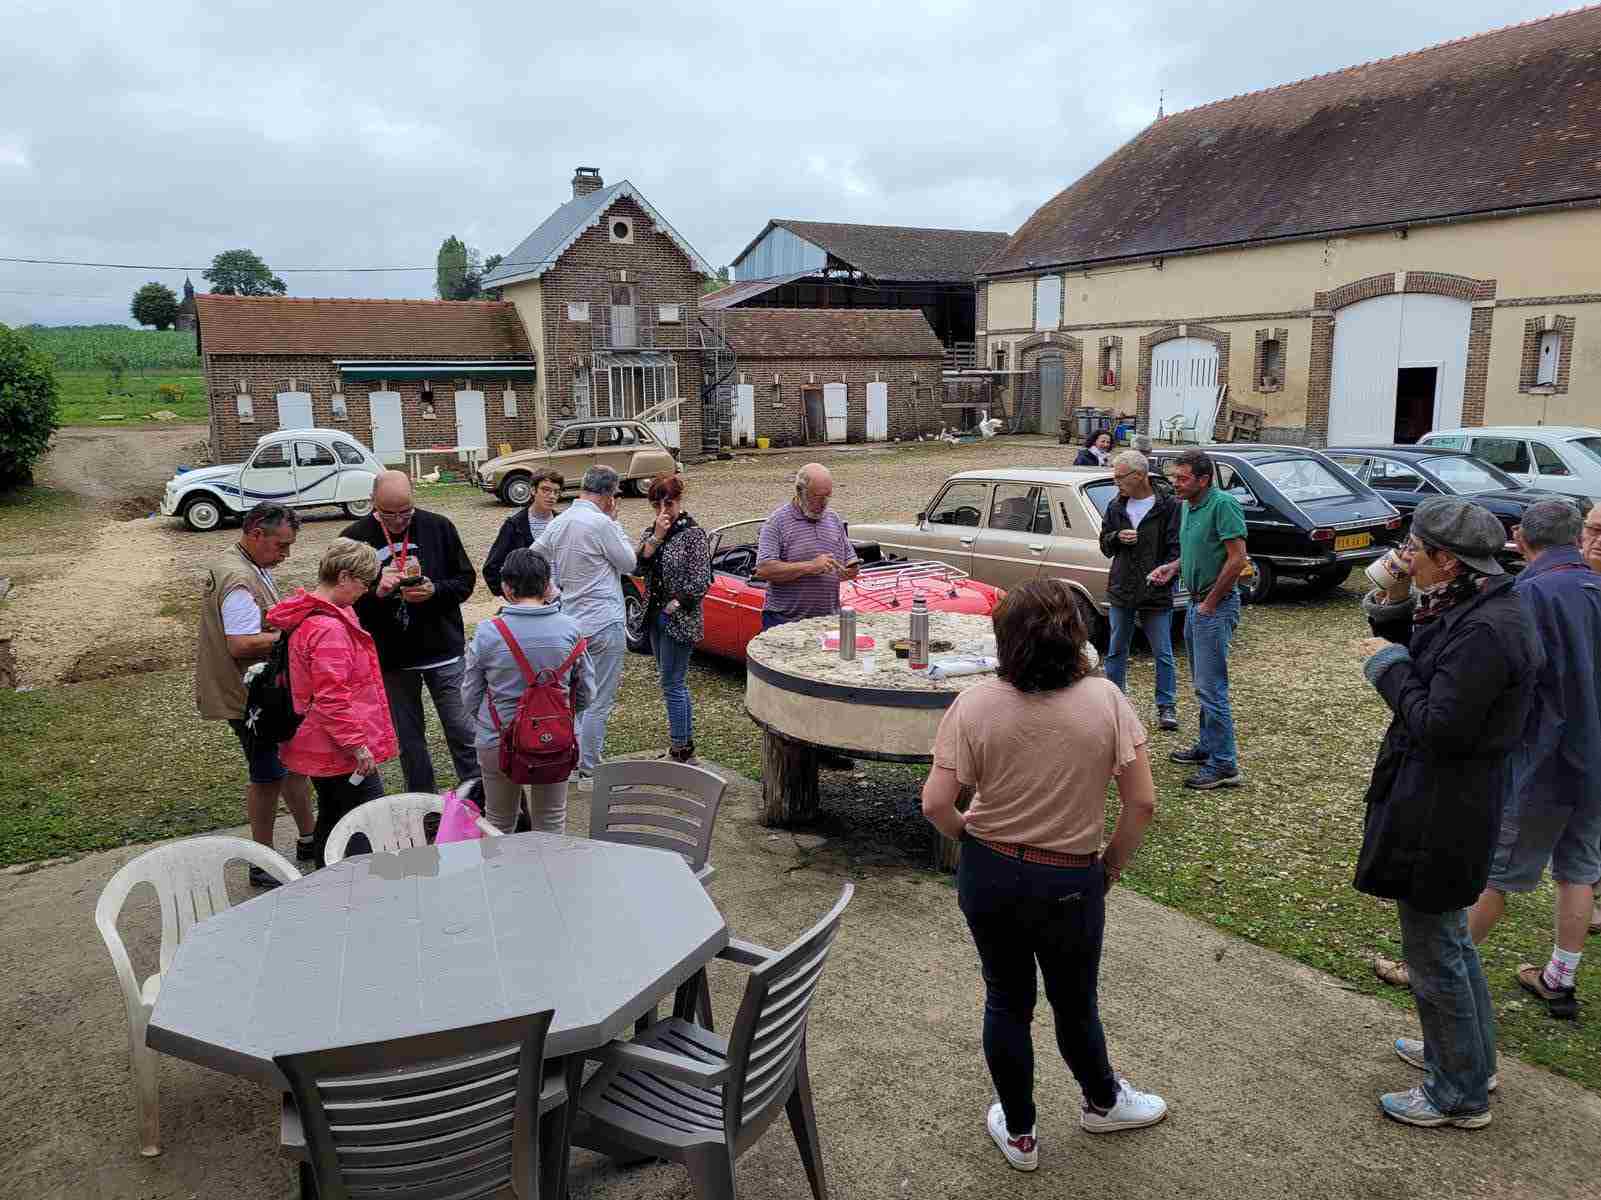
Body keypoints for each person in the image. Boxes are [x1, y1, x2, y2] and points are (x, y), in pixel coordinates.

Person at [921, 579, 1164, 1173]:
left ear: (1004, 638)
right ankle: (1102, 1101)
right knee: (1074, 1001)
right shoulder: (1106, 700)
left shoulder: (974, 703)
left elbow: (936, 804)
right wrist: (1109, 867)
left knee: (1007, 999)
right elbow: (1141, 803)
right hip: (1070, 879)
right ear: (1076, 635)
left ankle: (1021, 1133)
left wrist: (970, 840)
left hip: (990, 874)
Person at [1355, 497, 1539, 1129]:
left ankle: (1456, 1092)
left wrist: (1386, 669)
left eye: (1416, 548)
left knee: (1433, 951)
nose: (1406, 556)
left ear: (1449, 560)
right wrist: (1393, 607)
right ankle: (1467, 1060)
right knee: (1452, 941)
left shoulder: (1487, 629)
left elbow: (1439, 723)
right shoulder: (1475, 604)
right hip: (1447, 797)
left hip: (1444, 806)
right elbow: (1427, 655)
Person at [1456, 500, 1599, 1019]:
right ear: (1577, 537)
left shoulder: (1530, 594)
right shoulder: (1594, 587)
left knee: (1498, 872)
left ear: (1519, 538)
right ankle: (1560, 977)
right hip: (1595, 763)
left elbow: (1515, 679)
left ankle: (1439, 970)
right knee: (1578, 870)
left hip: (1547, 762)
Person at [193, 501, 314, 887]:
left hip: (262, 693)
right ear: (256, 533)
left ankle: (309, 837)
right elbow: (241, 644)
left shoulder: (243, 562)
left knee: (293, 764)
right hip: (250, 700)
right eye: (281, 545)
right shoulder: (239, 578)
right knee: (267, 776)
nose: (285, 554)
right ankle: (261, 862)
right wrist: (294, 635)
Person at [342, 470, 479, 794]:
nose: (398, 521)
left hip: (443, 651)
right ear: (372, 502)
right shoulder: (354, 538)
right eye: (388, 514)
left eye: (405, 512)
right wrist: (377, 592)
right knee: (409, 740)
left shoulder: (439, 527)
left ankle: (477, 797)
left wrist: (436, 590)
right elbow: (345, 602)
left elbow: (465, 581)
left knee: (463, 730)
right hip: (392, 659)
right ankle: (422, 805)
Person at [266, 538, 399, 867]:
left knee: (333, 811)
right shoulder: (329, 628)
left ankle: (327, 877)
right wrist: (357, 746)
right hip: (337, 746)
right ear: (343, 577)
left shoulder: (315, 614)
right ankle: (359, 880)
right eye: (364, 583)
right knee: (364, 819)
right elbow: (331, 697)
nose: (366, 591)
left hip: (317, 740)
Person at [462, 548, 593, 834]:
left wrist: (488, 721)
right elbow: (586, 692)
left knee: (498, 821)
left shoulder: (488, 632)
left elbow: (469, 695)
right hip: (555, 739)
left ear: (507, 588)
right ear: (547, 585)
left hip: (498, 738)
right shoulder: (571, 629)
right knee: (552, 820)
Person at [1147, 449, 1247, 789]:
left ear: (1204, 480)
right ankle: (1208, 747)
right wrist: (1173, 567)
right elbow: (1198, 550)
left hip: (1213, 607)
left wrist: (1210, 603)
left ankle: (1225, 765)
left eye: (1183, 478)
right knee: (1202, 684)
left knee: (1211, 687)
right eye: (1175, 477)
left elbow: (1237, 560)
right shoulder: (1188, 505)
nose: (1175, 483)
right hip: (1196, 603)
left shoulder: (1223, 505)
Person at [533, 464, 637, 783]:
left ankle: (573, 760)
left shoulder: (560, 521)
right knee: (598, 700)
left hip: (571, 622)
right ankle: (589, 768)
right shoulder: (601, 523)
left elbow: (534, 556)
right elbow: (629, 562)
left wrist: (552, 590)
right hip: (604, 620)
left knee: (573, 699)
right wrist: (615, 523)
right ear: (608, 495)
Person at [1097, 450, 1181, 731]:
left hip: (1156, 589)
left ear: (1140, 475)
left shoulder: (1169, 506)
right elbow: (1104, 545)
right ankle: (1115, 703)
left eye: (1120, 477)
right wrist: (1116, 537)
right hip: (1122, 588)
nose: (1116, 482)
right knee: (1116, 649)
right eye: (1115, 476)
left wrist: (1166, 573)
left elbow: (1176, 547)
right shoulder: (1116, 506)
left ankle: (1166, 706)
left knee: (1163, 652)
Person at [636, 473, 712, 763]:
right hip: (654, 617)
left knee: (673, 683)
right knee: (672, 681)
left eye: (668, 503)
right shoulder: (653, 531)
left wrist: (674, 605)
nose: (662, 511)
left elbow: (701, 581)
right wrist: (655, 538)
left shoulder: (693, 534)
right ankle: (684, 746)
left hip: (679, 620)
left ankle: (681, 749)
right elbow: (638, 566)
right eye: (656, 505)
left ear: (679, 501)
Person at [754, 463, 860, 629]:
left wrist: (851, 570)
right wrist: (810, 566)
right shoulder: (776, 522)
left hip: (827, 620)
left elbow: (849, 562)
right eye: (817, 497)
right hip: (784, 622)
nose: (823, 503)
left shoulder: (833, 519)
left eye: (828, 496)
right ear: (799, 491)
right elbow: (764, 570)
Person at [482, 469, 564, 598]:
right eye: (545, 490)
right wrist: (515, 597)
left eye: (556, 492)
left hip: (563, 599)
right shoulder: (515, 525)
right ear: (533, 490)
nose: (552, 496)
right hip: (531, 601)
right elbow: (492, 568)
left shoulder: (563, 523)